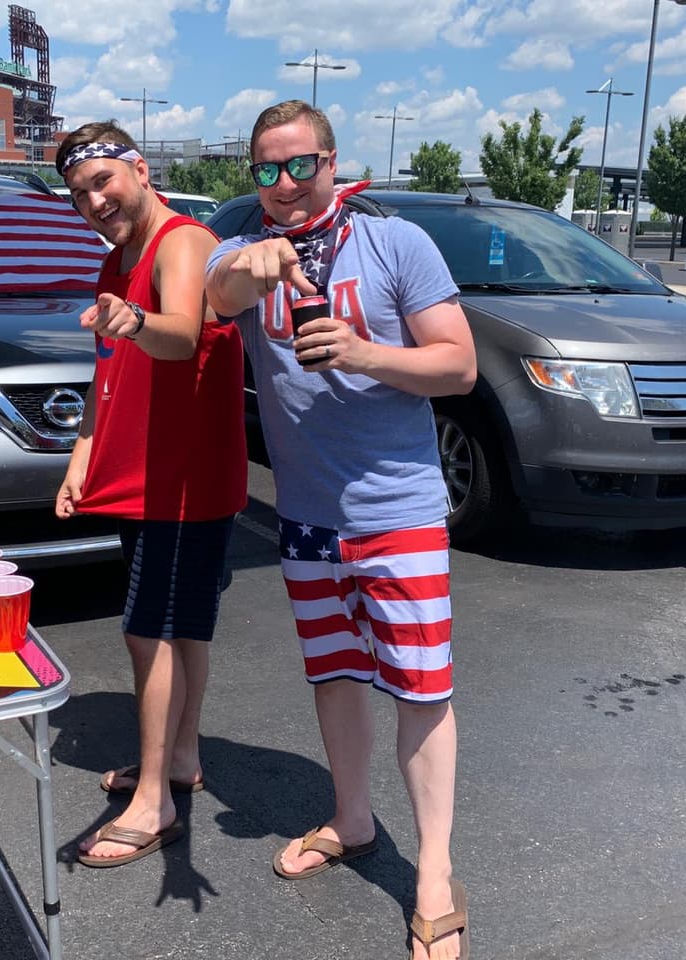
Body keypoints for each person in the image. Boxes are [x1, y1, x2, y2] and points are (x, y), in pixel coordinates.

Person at [205, 100, 476, 959]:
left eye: (300, 166)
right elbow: (218, 293)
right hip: (308, 519)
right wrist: (259, 263)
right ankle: (353, 820)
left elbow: (458, 364)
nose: (284, 184)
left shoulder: (395, 243)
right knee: (335, 674)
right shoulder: (243, 244)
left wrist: (365, 353)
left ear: (332, 161)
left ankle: (434, 871)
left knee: (422, 690)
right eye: (266, 170)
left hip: (398, 515)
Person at [53, 122, 247, 868]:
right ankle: (179, 760)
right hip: (142, 477)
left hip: (184, 481)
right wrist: (82, 453)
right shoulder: (116, 260)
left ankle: (153, 803)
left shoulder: (181, 242)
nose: (95, 200)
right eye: (80, 194)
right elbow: (109, 368)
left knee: (150, 631)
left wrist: (136, 319)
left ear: (138, 168)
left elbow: (180, 331)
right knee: (182, 627)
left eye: (104, 181)